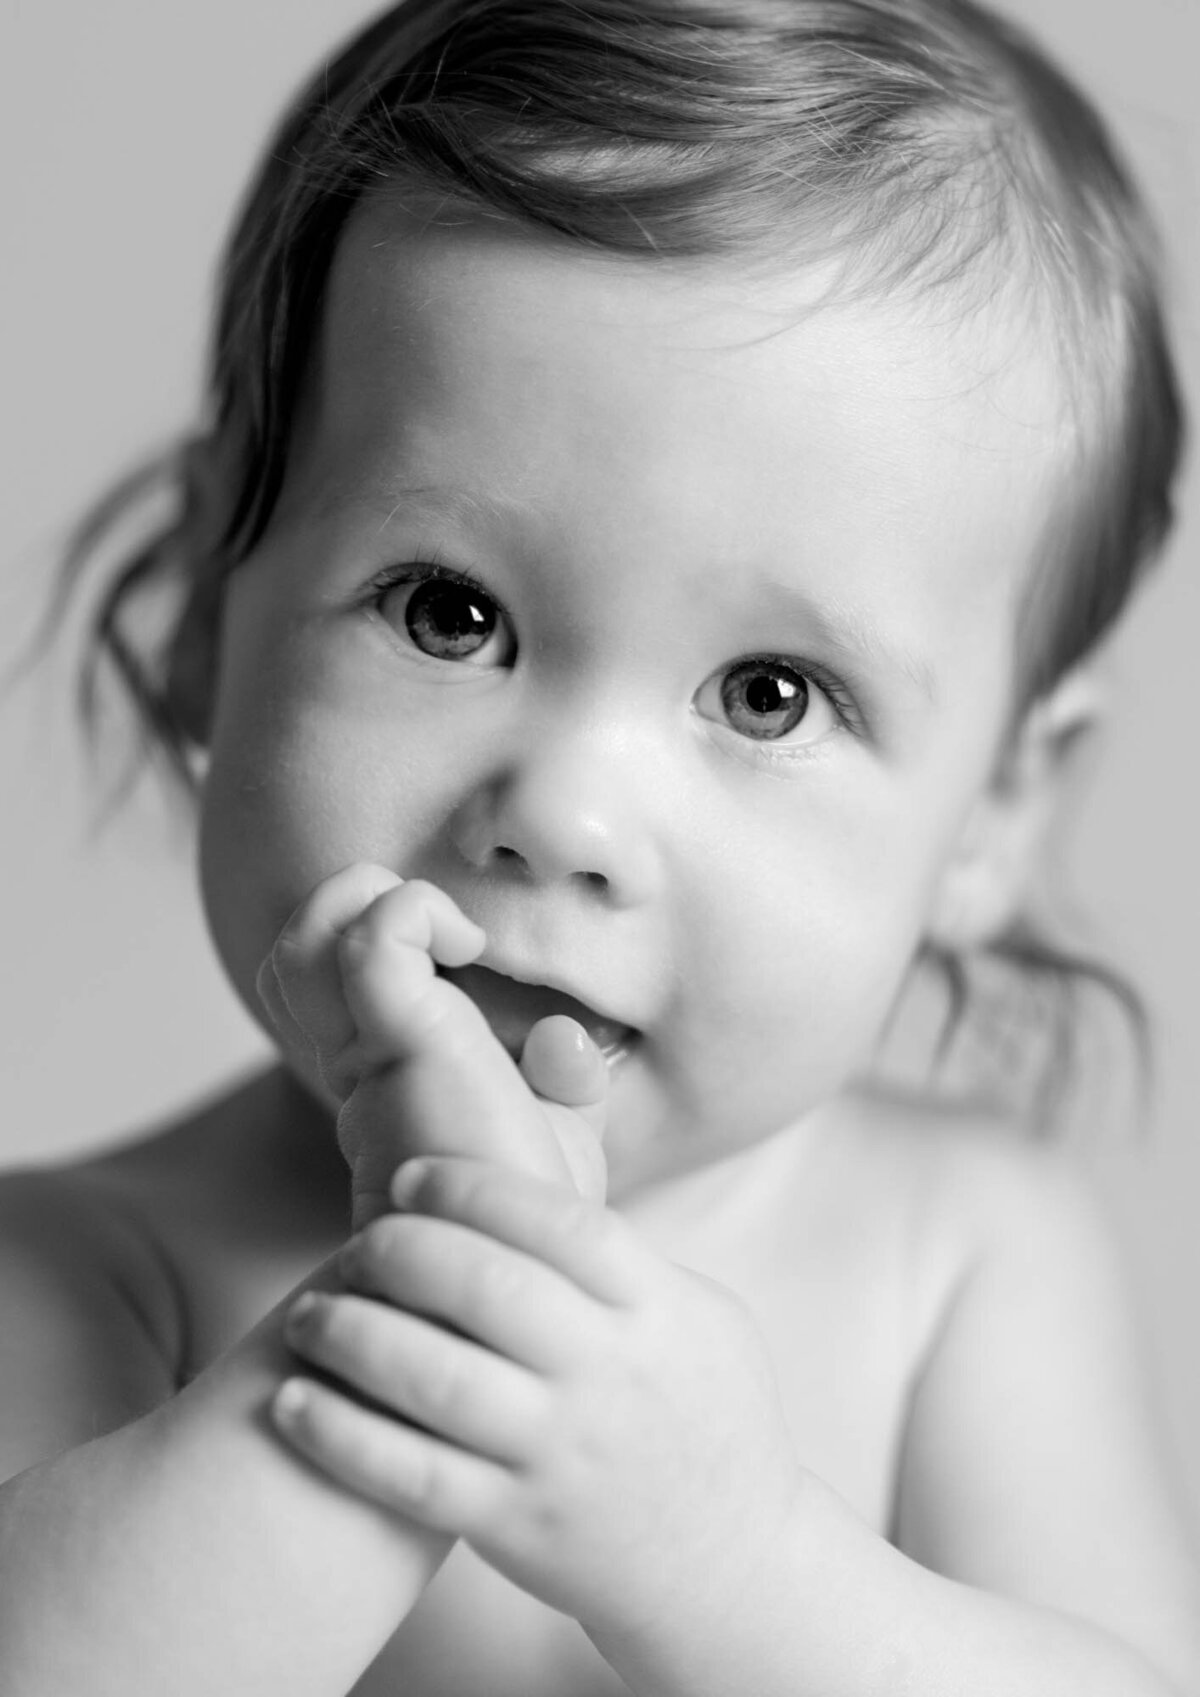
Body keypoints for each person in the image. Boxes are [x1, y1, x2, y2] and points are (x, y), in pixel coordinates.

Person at [1, 0, 1197, 1691]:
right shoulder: (84, 1268)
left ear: (998, 804)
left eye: (771, 694)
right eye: (448, 609)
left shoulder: (960, 1256)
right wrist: (432, 1331)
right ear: (209, 606)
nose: (562, 816)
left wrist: (736, 1563)